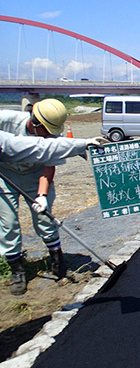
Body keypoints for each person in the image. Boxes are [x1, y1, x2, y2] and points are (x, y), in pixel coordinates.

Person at [0, 99, 106, 295]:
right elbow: (12, 145)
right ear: (35, 122)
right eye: (47, 131)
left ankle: (56, 259)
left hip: (34, 175)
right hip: (5, 175)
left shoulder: (50, 139)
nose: (50, 135)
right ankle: (16, 269)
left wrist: (42, 195)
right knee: (8, 223)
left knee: (44, 217)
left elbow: (47, 158)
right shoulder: (6, 121)